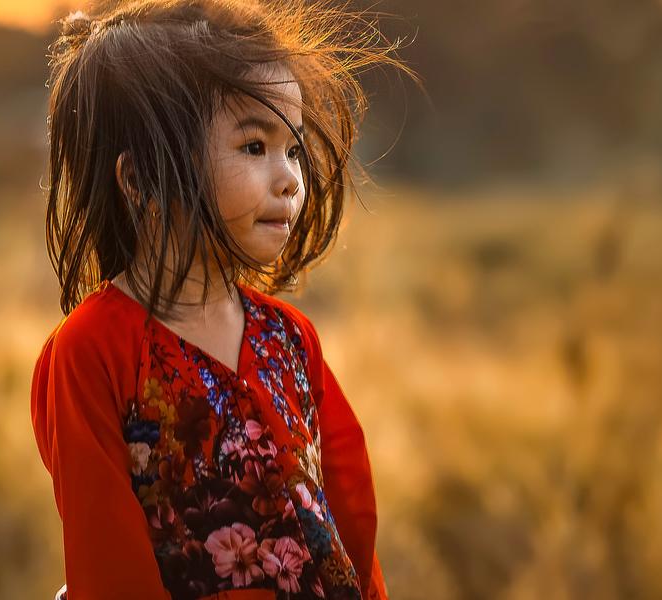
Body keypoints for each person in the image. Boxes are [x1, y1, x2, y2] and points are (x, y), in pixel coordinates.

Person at [30, 1, 410, 597]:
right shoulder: (93, 351)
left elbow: (350, 528)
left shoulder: (289, 337)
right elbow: (108, 565)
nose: (289, 178)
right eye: (255, 147)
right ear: (142, 180)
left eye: (292, 149)